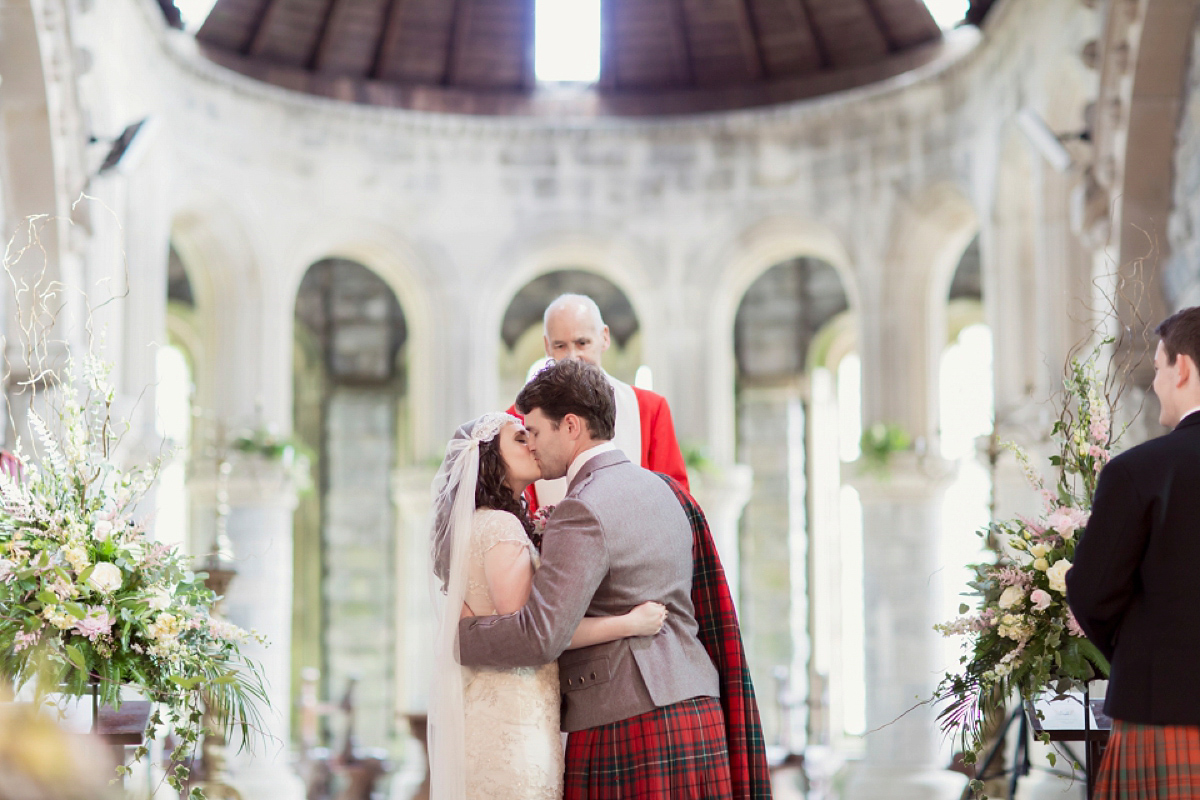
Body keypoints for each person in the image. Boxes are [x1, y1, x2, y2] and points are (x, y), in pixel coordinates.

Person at [460, 359, 770, 799]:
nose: (532, 444)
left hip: (626, 720)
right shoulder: (668, 490)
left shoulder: (581, 508)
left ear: (570, 426)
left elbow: (541, 636)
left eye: (535, 430)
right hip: (701, 714)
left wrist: (461, 637)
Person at [427, 411, 669, 800]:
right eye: (519, 439)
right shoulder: (501, 527)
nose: (532, 444)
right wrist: (629, 623)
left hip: (487, 708)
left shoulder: (470, 526)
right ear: (490, 458)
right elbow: (533, 633)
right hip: (514, 715)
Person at [1067, 306, 1200, 798]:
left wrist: (1140, 656)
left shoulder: (1139, 470)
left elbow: (1091, 591)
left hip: (1165, 712)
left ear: (1182, 367)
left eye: (1160, 368)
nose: (1158, 383)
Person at [510, 293, 689, 510]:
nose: (572, 357)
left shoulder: (649, 408)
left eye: (582, 343)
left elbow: (674, 497)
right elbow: (517, 499)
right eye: (560, 346)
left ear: (604, 337)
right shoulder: (518, 419)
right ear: (547, 346)